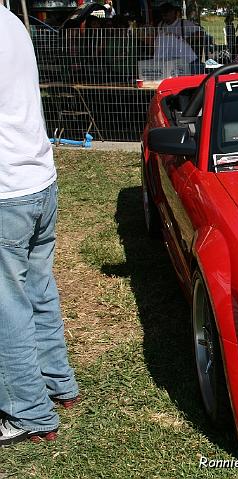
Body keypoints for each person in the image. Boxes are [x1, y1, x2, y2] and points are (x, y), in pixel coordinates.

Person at [0, 6, 79, 446]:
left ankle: (26, 412)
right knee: (37, 291)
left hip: (7, 188)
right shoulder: (11, 21)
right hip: (36, 179)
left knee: (7, 305)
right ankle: (57, 384)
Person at [154, 2, 206, 74]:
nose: (165, 16)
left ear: (173, 12)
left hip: (185, 57)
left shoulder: (184, 23)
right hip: (167, 58)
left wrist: (187, 40)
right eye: (163, 14)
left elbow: (200, 33)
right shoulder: (161, 25)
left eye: (167, 13)